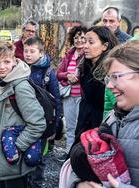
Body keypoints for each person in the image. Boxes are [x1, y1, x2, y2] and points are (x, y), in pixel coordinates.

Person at [68, 41, 139, 188]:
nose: (109, 86)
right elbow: (85, 161)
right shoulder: (113, 118)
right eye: (109, 78)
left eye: (116, 76)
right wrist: (80, 183)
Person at [0, 42, 46, 188]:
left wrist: (16, 147)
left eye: (7, 61)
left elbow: (38, 124)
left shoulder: (20, 87)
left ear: (14, 61)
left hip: (13, 159)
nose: (2, 67)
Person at [23, 36, 62, 188]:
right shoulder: (21, 68)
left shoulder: (48, 73)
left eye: (32, 51)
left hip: (43, 123)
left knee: (40, 157)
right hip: (24, 121)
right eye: (26, 51)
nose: (28, 54)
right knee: (24, 152)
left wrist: (55, 126)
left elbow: (56, 101)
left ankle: (36, 183)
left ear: (40, 53)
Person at [74, 26, 118, 144]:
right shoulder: (84, 65)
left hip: (101, 124)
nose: (85, 46)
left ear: (105, 46)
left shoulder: (111, 70)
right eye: (85, 42)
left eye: (91, 42)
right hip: (84, 121)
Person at [57, 26, 87, 155]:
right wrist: (67, 76)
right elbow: (58, 73)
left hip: (82, 96)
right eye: (76, 37)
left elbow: (89, 75)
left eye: (82, 37)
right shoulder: (68, 54)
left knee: (81, 127)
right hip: (68, 95)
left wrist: (78, 78)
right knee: (70, 127)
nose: (79, 40)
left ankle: (78, 154)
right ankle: (68, 154)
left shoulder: (87, 54)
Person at [101, 7, 132, 118]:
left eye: (112, 21)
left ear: (119, 22)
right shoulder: (97, 38)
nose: (108, 24)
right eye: (105, 21)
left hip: (116, 91)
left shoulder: (128, 42)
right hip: (97, 93)